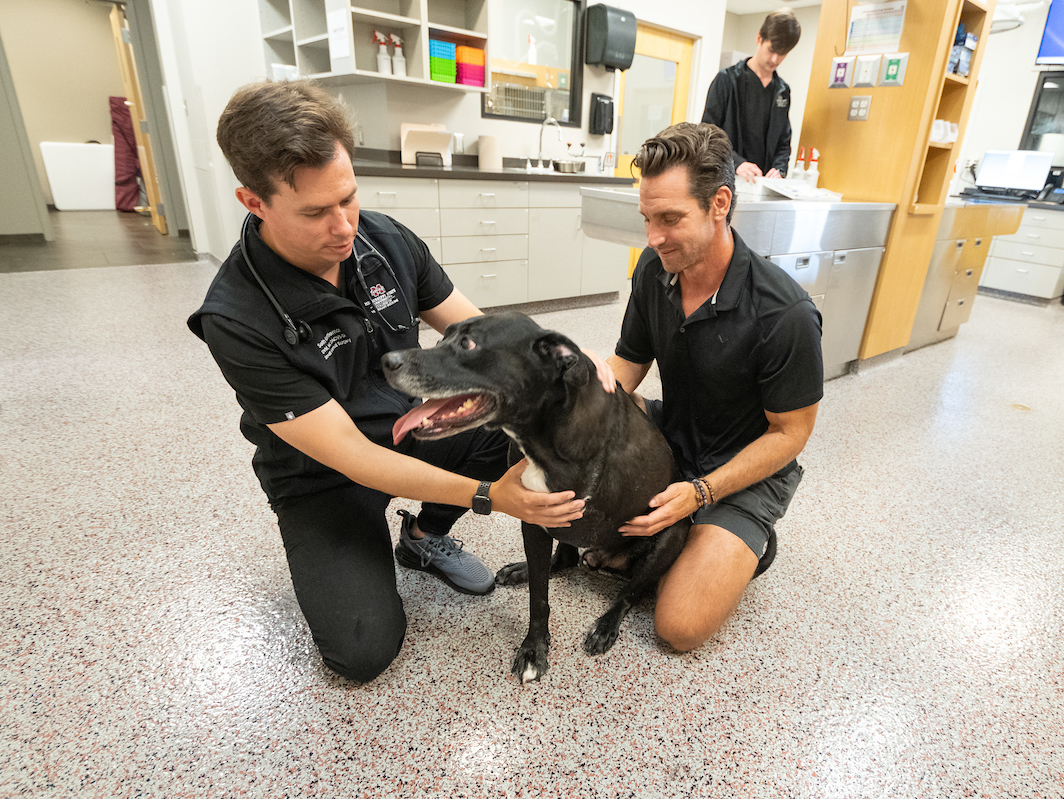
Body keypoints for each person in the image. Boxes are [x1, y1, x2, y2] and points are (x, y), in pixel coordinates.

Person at [187, 80, 606, 683]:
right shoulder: (237, 317)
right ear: (254, 202)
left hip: (415, 424)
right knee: (362, 652)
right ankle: (369, 542)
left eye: (349, 198)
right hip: (324, 476)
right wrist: (491, 498)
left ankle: (423, 536)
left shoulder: (382, 239)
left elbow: (475, 331)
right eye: (315, 212)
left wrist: (561, 357)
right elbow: (354, 456)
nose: (343, 226)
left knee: (525, 424)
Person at [606, 121, 822, 652]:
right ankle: (683, 536)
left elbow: (790, 435)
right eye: (648, 218)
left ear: (719, 203)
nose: (653, 238)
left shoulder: (784, 314)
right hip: (675, 433)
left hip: (745, 469)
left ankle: (743, 541)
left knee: (678, 627)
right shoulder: (653, 274)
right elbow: (625, 369)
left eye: (670, 219)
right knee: (585, 430)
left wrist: (702, 492)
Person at [701, 9, 801, 182]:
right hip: (726, 180)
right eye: (771, 50)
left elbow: (784, 143)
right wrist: (737, 163)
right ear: (759, 38)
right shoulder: (727, 80)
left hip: (763, 184)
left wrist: (779, 168)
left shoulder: (782, 90)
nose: (775, 59)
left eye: (782, 53)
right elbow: (708, 133)